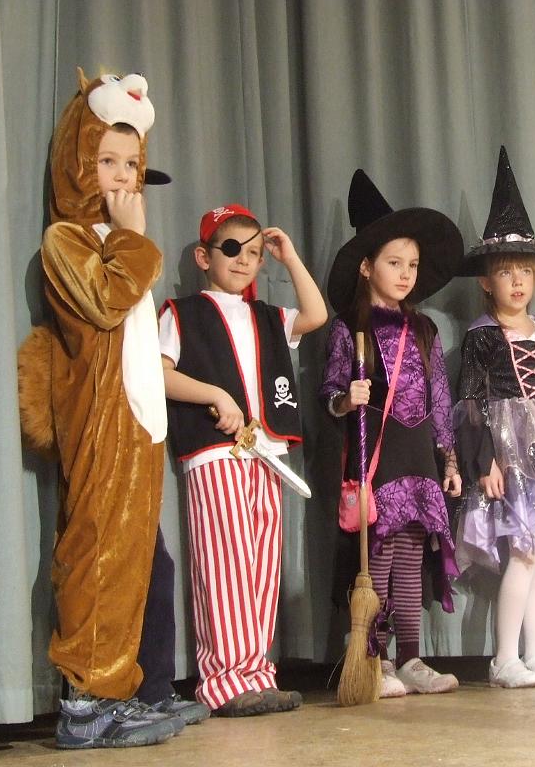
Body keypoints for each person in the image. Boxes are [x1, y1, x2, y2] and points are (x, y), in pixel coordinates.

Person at [18, 68, 189, 748]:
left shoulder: (115, 241)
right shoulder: (67, 240)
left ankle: (125, 692)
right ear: (77, 161)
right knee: (98, 553)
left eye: (131, 165)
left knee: (134, 561)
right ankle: (87, 703)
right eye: (106, 161)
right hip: (101, 419)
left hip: (139, 419)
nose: (121, 178)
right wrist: (132, 236)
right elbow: (105, 302)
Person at [159, 204, 326, 714]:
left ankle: (255, 671)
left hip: (265, 451)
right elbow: (159, 372)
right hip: (215, 451)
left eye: (253, 253)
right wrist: (214, 394)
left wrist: (289, 257)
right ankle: (224, 680)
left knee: (261, 566)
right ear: (204, 256)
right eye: (231, 248)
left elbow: (316, 315)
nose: (243, 260)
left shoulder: (268, 317)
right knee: (224, 562)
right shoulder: (182, 312)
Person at [320, 169, 463, 698]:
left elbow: (439, 396)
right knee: (376, 553)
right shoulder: (349, 327)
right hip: (375, 453)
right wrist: (346, 398)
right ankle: (372, 659)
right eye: (394, 263)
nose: (405, 274)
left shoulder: (424, 329)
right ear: (367, 266)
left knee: (410, 556)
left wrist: (449, 459)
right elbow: (330, 390)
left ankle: (410, 658)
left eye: (413, 265)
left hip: (417, 453)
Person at [454, 147, 535, 688]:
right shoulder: (482, 336)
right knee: (523, 551)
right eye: (505, 272)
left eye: (526, 272)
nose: (517, 281)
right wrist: (484, 460)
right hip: (506, 452)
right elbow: (470, 401)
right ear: (486, 281)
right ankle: (504, 658)